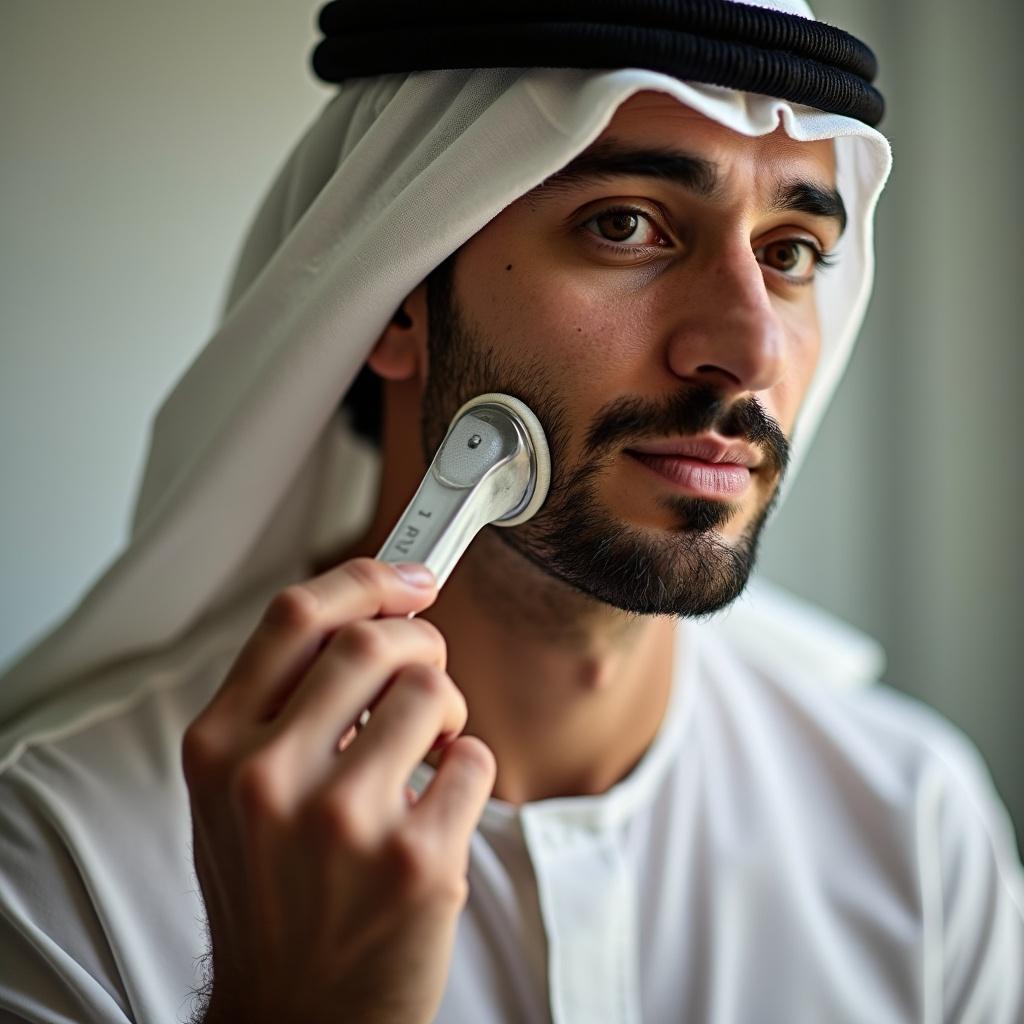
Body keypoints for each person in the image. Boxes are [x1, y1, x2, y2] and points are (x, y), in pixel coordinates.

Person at [1, 2, 1022, 1022]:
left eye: (791, 251)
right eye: (625, 226)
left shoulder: (915, 829)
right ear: (397, 294)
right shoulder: (63, 854)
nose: (748, 350)